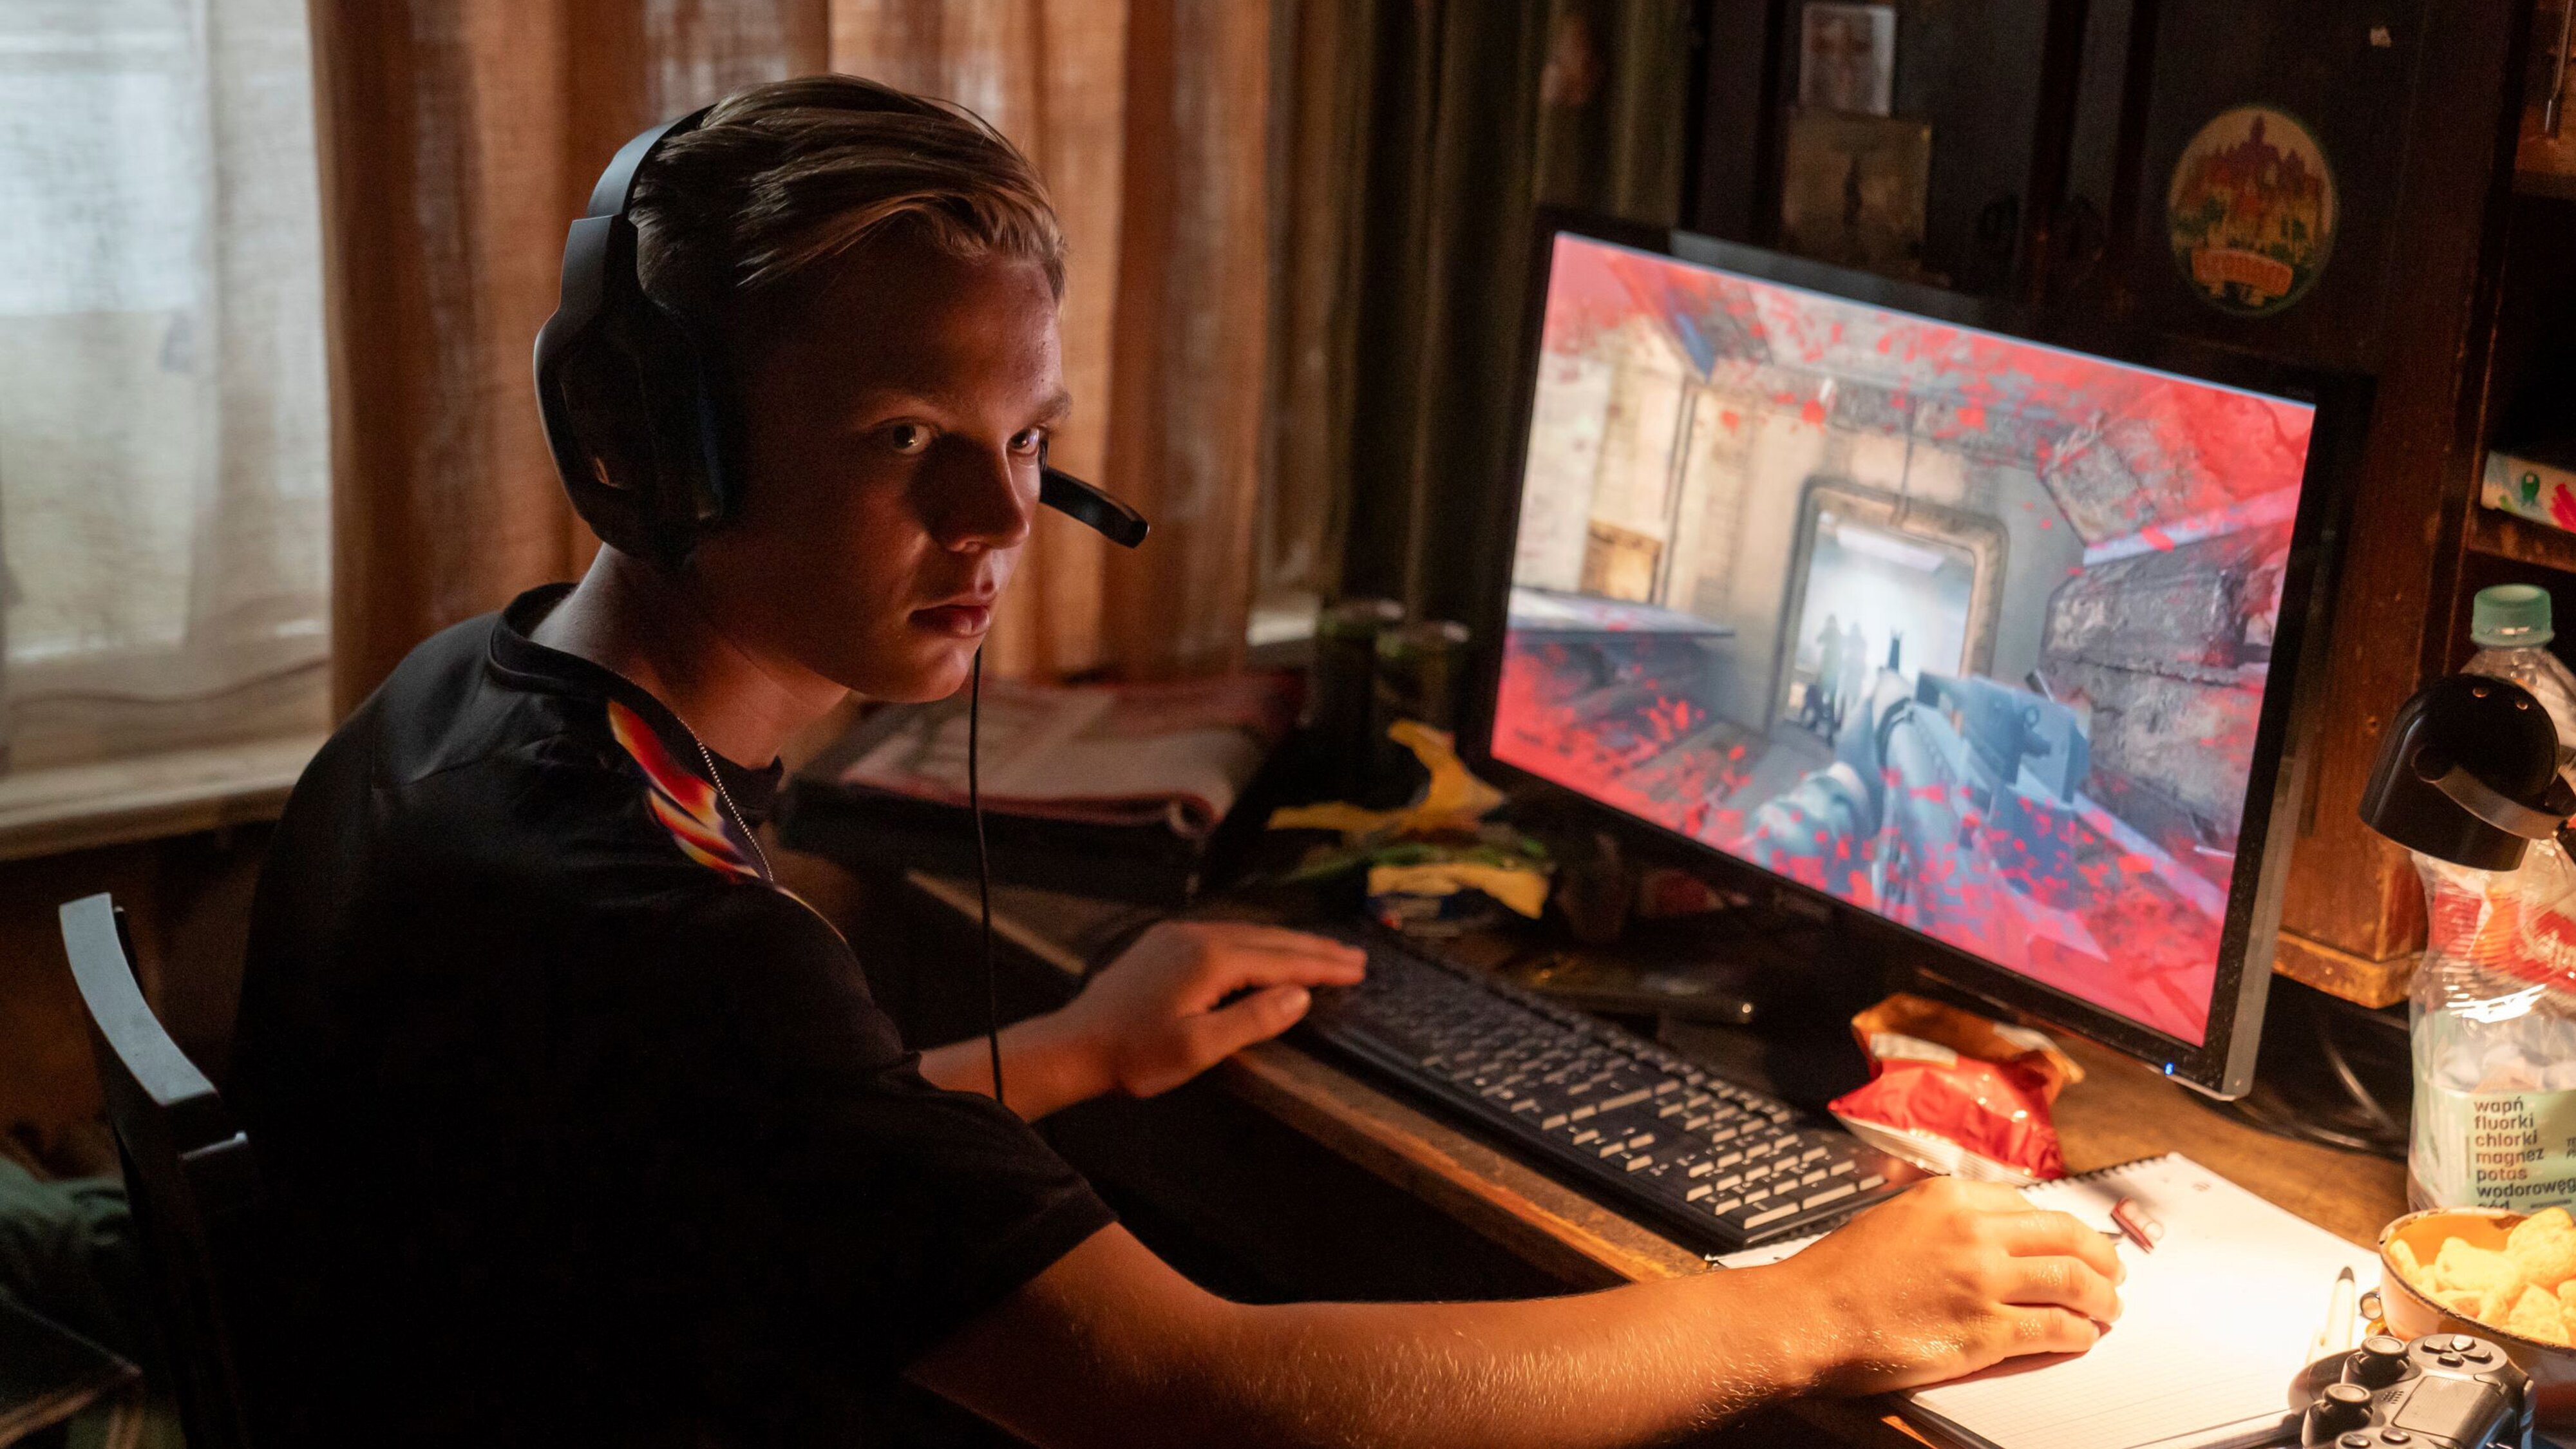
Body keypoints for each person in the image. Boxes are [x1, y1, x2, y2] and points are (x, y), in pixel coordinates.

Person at [229, 75, 2121, 1449]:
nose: (1001, 521)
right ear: (657, 444)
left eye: (1027, 436)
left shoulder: (464, 714)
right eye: (904, 439)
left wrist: (1071, 1051)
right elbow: (1196, 1396)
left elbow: (713, 1160)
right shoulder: (669, 939)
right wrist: (1808, 1312)